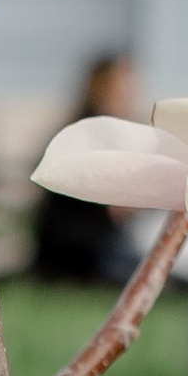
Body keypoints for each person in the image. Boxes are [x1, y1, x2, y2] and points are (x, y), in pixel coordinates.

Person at [26, 52, 145, 286]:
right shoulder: (87, 132)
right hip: (78, 250)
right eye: (124, 88)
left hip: (93, 245)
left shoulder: (108, 131)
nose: (130, 96)